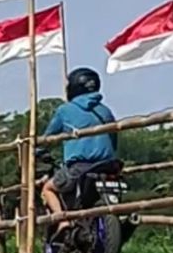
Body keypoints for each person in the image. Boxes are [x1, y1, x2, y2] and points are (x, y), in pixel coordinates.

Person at [41, 66, 117, 232]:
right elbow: (114, 140)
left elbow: (47, 138)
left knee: (48, 188)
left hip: (80, 167)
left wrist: (38, 150)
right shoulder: (106, 111)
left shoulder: (65, 110)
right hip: (109, 165)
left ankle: (62, 221)